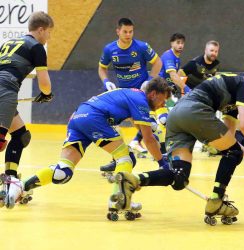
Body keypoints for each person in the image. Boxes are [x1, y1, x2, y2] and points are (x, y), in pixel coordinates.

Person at [109, 68, 244, 225]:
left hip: (176, 115)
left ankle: (132, 180)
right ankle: (216, 200)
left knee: (179, 177)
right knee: (232, 152)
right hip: (196, 111)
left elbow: (230, 140)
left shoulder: (234, 100)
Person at [4, 77, 171, 214]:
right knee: (125, 158)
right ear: (153, 94)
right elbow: (148, 139)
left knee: (63, 171)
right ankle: (119, 199)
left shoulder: (132, 94)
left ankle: (22, 186)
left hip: (78, 116)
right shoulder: (141, 100)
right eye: (162, 101)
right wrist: (162, 163)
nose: (162, 106)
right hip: (95, 118)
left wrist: (150, 127)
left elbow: (138, 124)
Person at [180, 41, 244, 153]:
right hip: (192, 108)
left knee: (232, 154)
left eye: (216, 51)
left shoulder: (235, 94)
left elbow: (229, 135)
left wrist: (232, 149)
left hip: (187, 110)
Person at [0, 11, 54, 208]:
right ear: (41, 30)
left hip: (4, 90)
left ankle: (10, 180)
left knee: (21, 135)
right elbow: (45, 84)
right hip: (5, 91)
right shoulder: (37, 47)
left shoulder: (9, 43)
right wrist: (47, 94)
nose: (49, 37)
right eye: (48, 33)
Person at [98, 17, 162, 166]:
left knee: (147, 127)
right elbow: (102, 68)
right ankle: (117, 159)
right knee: (114, 125)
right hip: (123, 94)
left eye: (131, 32)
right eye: (125, 32)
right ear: (118, 32)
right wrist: (106, 81)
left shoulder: (141, 47)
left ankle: (162, 156)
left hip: (141, 93)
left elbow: (158, 62)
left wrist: (150, 80)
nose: (128, 35)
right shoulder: (109, 49)